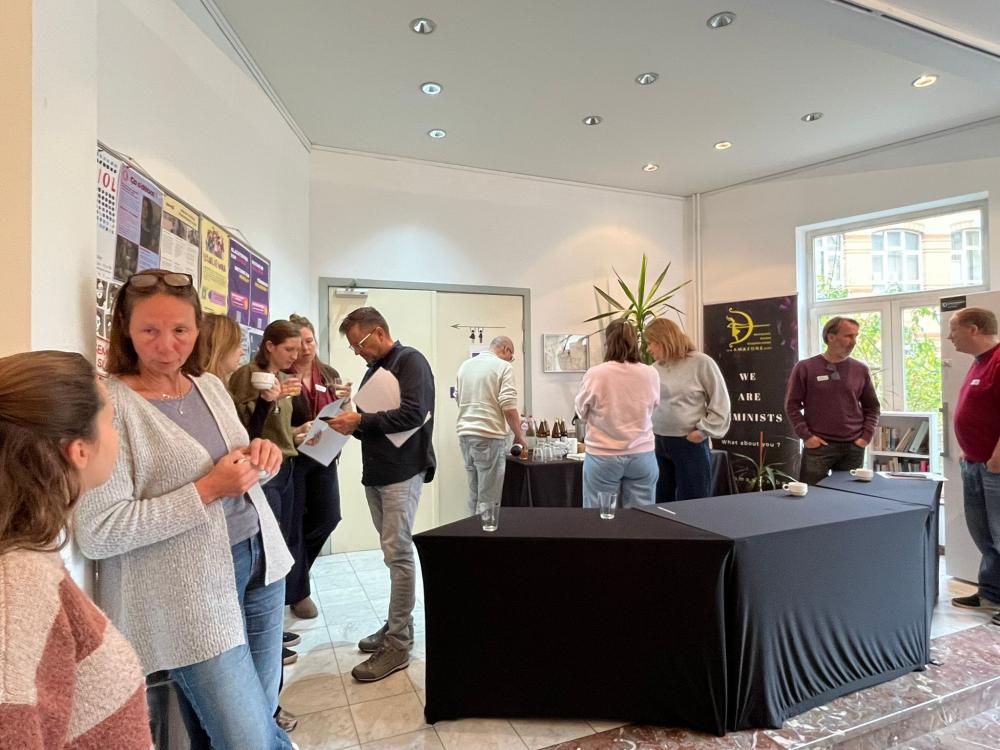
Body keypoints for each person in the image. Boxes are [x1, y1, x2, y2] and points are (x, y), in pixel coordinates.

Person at [74, 269, 295, 750]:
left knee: (260, 716)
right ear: (125, 330)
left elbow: (237, 469)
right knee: (248, 738)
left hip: (261, 563)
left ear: (198, 330)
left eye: (180, 330)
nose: (166, 345)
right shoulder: (112, 404)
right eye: (149, 330)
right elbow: (98, 531)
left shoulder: (208, 386)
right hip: (190, 595)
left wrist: (262, 459)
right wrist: (207, 490)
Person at [0, 351, 152, 749]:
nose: (116, 436)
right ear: (79, 450)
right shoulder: (18, 586)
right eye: (111, 422)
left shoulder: (30, 560)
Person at [326, 307, 435, 683]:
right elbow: (374, 424)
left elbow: (414, 415)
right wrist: (349, 420)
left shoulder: (410, 361)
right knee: (391, 554)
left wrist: (361, 420)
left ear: (378, 332)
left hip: (402, 471)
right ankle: (396, 624)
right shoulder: (374, 369)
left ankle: (399, 643)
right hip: (378, 471)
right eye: (352, 347)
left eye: (358, 343)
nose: (356, 351)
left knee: (398, 554)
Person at [229, 320, 304, 667]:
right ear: (270, 346)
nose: (295, 355)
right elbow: (247, 432)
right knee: (267, 554)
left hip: (286, 465)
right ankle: (266, 638)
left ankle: (273, 629)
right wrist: (265, 400)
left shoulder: (281, 379)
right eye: (289, 348)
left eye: (298, 349)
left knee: (283, 543)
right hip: (264, 472)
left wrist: (299, 431)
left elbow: (279, 429)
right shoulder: (249, 376)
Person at [284, 313, 350, 619]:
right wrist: (295, 431)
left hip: (324, 456)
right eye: (299, 344)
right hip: (293, 460)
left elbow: (343, 412)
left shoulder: (328, 374)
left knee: (328, 517)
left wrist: (347, 404)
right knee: (294, 525)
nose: (306, 349)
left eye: (309, 341)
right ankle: (299, 592)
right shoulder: (281, 377)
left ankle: (296, 575)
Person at [948, 307, 1000, 620]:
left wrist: (997, 456)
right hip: (974, 463)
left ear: (973, 329)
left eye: (953, 330)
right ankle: (991, 594)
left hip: (995, 467)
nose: (949, 337)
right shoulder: (978, 362)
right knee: (984, 536)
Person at [574, 319, 660, 508]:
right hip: (642, 454)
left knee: (600, 515)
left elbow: (581, 410)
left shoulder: (596, 373)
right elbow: (653, 407)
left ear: (608, 342)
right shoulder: (651, 373)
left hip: (603, 455)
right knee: (641, 516)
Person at [784, 316, 880, 485]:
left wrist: (865, 437)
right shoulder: (805, 368)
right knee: (812, 495)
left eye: (856, 336)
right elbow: (792, 406)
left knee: (848, 496)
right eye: (849, 336)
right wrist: (807, 437)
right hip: (818, 446)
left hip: (853, 446)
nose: (854, 342)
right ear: (831, 337)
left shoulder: (860, 369)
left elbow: (872, 407)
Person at [644, 317, 731, 501]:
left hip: (689, 443)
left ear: (664, 340)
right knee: (661, 503)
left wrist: (703, 431)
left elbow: (721, 403)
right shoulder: (653, 369)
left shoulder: (701, 363)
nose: (648, 349)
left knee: (693, 503)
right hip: (657, 443)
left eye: (651, 343)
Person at [455, 335, 528, 515]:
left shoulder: (465, 366)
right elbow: (508, 406)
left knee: (474, 494)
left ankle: (471, 531)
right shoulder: (503, 367)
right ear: (505, 349)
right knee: (489, 497)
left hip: (465, 435)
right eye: (511, 356)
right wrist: (519, 436)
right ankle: (486, 532)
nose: (510, 360)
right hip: (489, 436)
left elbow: (458, 398)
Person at [202, 312, 245, 382]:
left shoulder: (214, 383)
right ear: (222, 347)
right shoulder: (205, 384)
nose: (243, 353)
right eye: (237, 346)